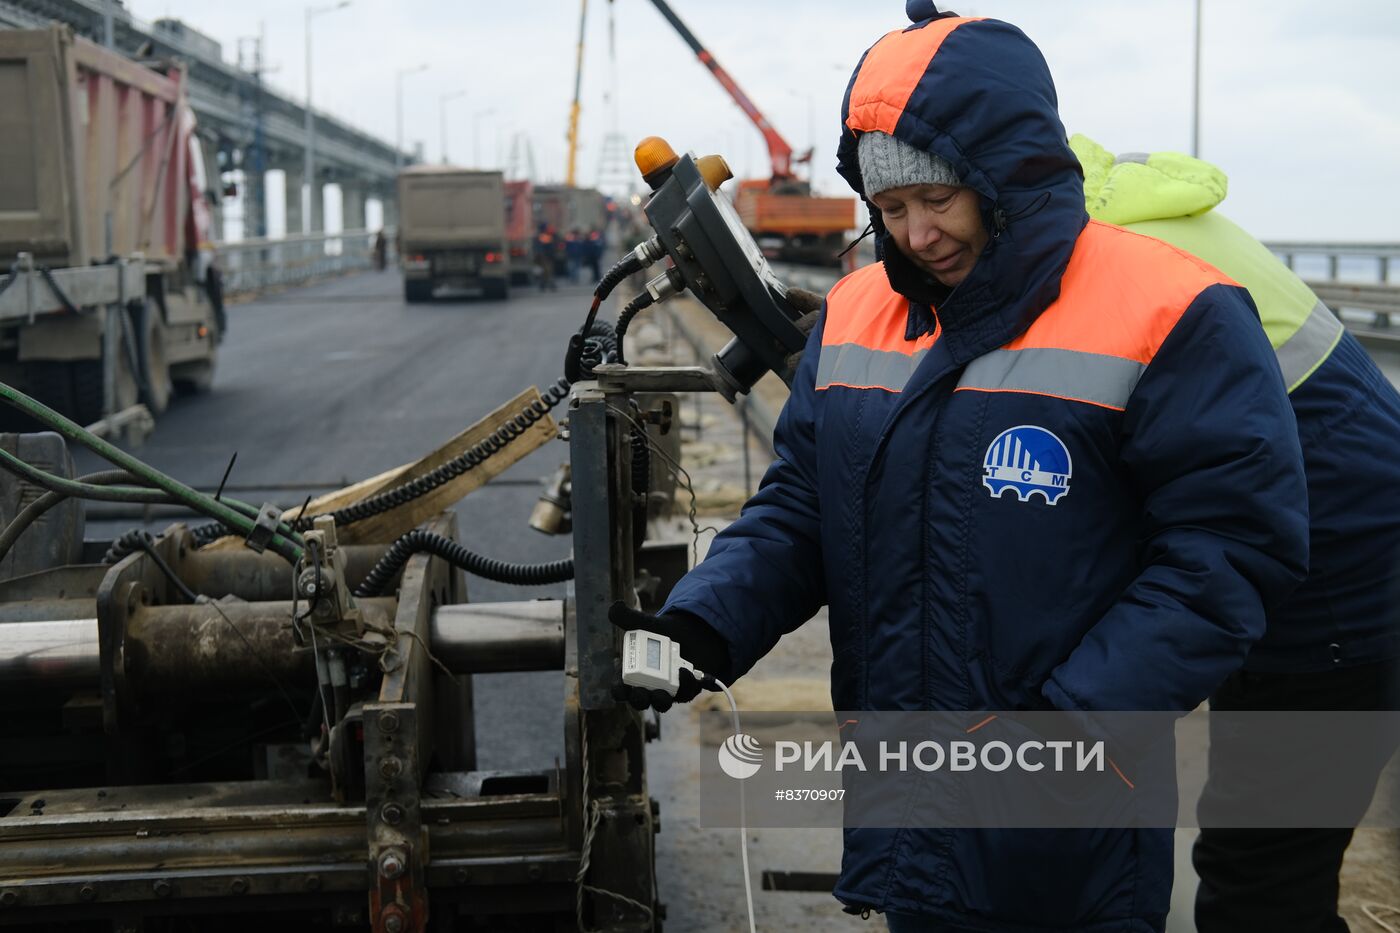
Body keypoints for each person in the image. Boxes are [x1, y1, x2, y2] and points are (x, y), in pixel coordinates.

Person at [609, 4, 1311, 931]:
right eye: (890, 209)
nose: (917, 235)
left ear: (1007, 174)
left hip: (1067, 827)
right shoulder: (858, 313)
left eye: (938, 199)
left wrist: (1070, 725)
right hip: (903, 816)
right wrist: (704, 623)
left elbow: (1230, 551)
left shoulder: (1175, 312)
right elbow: (801, 512)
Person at [1071, 134, 1400, 933]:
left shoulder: (1106, 269)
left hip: (1334, 591)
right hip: (1335, 551)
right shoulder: (1124, 222)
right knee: (1265, 872)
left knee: (1261, 887)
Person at [533, 223, 557, 292]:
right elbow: (549, 247)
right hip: (545, 257)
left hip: (545, 257)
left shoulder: (540, 236)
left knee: (546, 272)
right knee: (548, 271)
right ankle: (550, 285)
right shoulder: (544, 236)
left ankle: (543, 285)